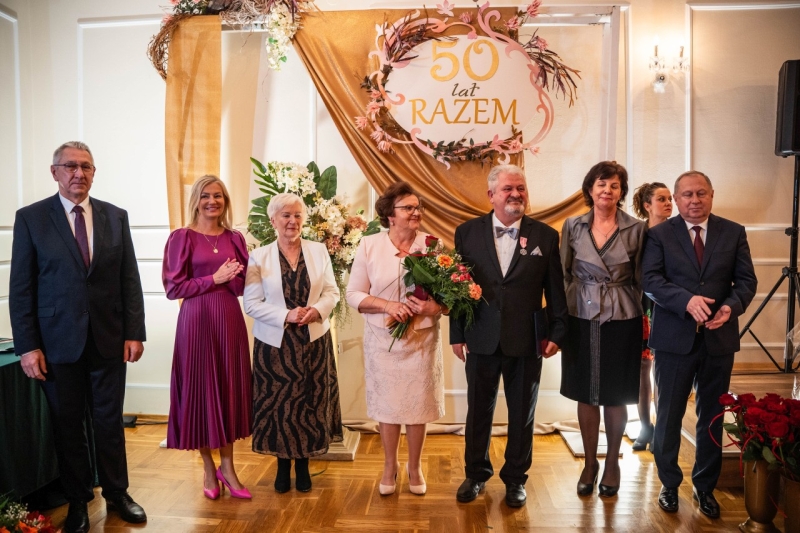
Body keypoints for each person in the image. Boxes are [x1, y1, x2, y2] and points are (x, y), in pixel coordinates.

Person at [10, 141, 147, 533]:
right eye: (70, 166)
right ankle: (77, 501)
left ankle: (117, 493)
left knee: (109, 422)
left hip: (108, 339)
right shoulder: (31, 219)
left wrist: (134, 332)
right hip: (56, 344)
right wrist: (28, 346)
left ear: (93, 173)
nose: (78, 173)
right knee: (68, 426)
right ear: (54, 172)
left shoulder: (115, 216)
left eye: (86, 167)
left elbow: (129, 278)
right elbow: (21, 288)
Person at [450, 164, 568, 508]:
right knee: (478, 412)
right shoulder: (466, 233)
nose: (516, 194)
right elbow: (457, 286)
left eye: (521, 188)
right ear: (491, 195)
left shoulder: (546, 236)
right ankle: (475, 473)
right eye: (508, 189)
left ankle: (516, 478)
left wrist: (557, 332)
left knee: (522, 414)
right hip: (480, 336)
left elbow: (556, 290)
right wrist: (457, 333)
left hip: (528, 339)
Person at [643, 171, 756, 518]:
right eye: (687, 195)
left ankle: (705, 487)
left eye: (701, 193)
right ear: (676, 199)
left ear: (711, 195)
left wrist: (730, 307)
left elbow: (746, 281)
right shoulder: (659, 234)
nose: (695, 200)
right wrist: (686, 301)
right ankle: (669, 484)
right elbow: (650, 280)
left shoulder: (733, 232)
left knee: (712, 417)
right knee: (668, 415)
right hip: (673, 340)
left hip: (718, 338)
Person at [346, 182, 445, 497]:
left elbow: (447, 298)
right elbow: (353, 294)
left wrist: (434, 307)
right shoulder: (369, 245)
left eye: (418, 207)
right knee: (387, 406)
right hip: (382, 339)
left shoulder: (432, 245)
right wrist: (387, 305)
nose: (416, 212)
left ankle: (415, 467)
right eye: (408, 208)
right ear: (390, 214)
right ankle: (390, 466)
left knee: (418, 406)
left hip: (421, 340)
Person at [244, 193, 343, 493]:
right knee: (279, 407)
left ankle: (303, 465)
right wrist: (286, 315)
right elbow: (251, 303)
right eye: (286, 215)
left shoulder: (319, 250)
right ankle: (282, 465)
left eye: (298, 215)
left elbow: (332, 292)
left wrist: (317, 310)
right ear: (273, 220)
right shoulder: (259, 257)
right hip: (275, 345)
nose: (292, 221)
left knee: (310, 404)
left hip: (313, 340)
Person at [162, 175, 252, 500]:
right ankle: (208, 467)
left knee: (227, 388)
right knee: (200, 390)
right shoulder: (181, 237)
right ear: (196, 201)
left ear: (225, 201)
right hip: (196, 320)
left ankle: (228, 467)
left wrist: (240, 276)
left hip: (228, 319)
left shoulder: (234, 238)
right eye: (205, 196)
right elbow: (174, 288)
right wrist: (214, 278)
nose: (212, 201)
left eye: (218, 196)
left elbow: (241, 287)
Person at [560, 161, 646, 498]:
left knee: (616, 392)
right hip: (580, 315)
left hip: (623, 316)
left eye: (614, 185)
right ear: (590, 189)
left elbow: (642, 279)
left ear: (621, 191)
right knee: (586, 391)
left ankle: (612, 462)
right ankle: (589, 463)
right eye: (601, 184)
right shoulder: (573, 225)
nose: (607, 190)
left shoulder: (637, 229)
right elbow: (564, 273)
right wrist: (563, 316)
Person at [630, 182, 673, 452]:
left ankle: (663, 431)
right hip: (642, 304)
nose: (668, 203)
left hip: (670, 305)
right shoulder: (637, 233)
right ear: (647, 205)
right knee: (642, 368)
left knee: (665, 371)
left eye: (670, 199)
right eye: (661, 199)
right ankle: (645, 427)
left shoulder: (678, 231)